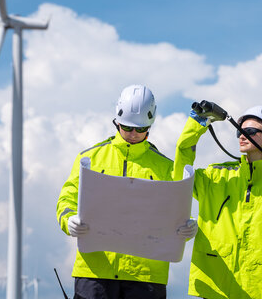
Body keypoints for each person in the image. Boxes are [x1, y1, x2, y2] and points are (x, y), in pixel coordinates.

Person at [56, 84, 197, 299]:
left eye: (140, 129)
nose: (133, 134)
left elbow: (175, 214)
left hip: (146, 276)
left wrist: (185, 228)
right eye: (127, 127)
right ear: (116, 121)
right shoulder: (90, 158)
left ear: (150, 125)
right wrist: (69, 220)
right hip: (95, 271)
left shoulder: (166, 168)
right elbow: (67, 198)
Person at [174, 104, 262, 298]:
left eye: (250, 131)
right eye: (239, 132)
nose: (242, 136)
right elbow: (180, 176)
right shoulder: (215, 176)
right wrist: (195, 127)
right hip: (215, 287)